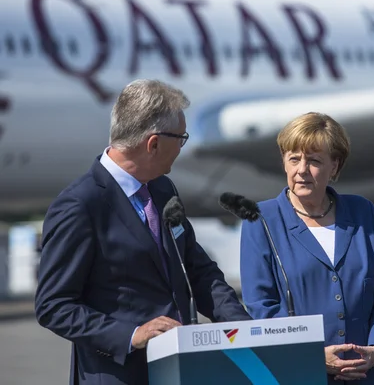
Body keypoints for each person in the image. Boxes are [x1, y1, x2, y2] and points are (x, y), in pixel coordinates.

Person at [35, 79, 251, 385]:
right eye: (181, 138)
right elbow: (53, 306)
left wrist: (246, 331)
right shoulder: (80, 205)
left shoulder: (162, 189)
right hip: (119, 376)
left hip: (180, 372)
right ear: (154, 144)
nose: (182, 146)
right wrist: (133, 335)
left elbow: (199, 271)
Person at [240, 112, 374, 384]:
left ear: (335, 166)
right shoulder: (261, 219)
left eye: (314, 161)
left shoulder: (361, 211)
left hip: (370, 375)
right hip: (301, 374)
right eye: (294, 159)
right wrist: (312, 355)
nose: (301, 170)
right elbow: (261, 308)